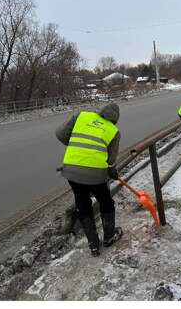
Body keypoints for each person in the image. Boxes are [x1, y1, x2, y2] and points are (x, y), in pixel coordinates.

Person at [56, 103, 123, 256]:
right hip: (96, 175)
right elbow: (111, 160)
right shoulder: (113, 131)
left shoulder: (81, 116)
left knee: (82, 202)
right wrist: (112, 172)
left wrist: (78, 144)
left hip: (72, 170)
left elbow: (61, 134)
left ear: (100, 111)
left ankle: (93, 244)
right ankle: (109, 237)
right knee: (106, 201)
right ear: (115, 119)